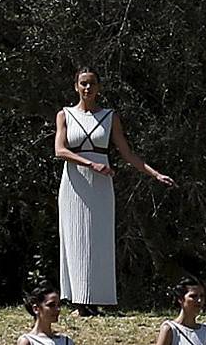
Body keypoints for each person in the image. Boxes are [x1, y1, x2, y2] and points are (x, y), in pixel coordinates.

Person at [54, 68, 173, 311]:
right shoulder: (65, 115)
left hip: (100, 185)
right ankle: (79, 301)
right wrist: (91, 163)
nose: (88, 88)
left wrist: (155, 173)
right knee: (75, 238)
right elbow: (60, 150)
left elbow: (127, 154)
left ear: (98, 87)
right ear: (76, 86)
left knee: (99, 239)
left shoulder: (109, 117)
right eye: (83, 84)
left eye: (92, 84)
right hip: (75, 183)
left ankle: (97, 300)